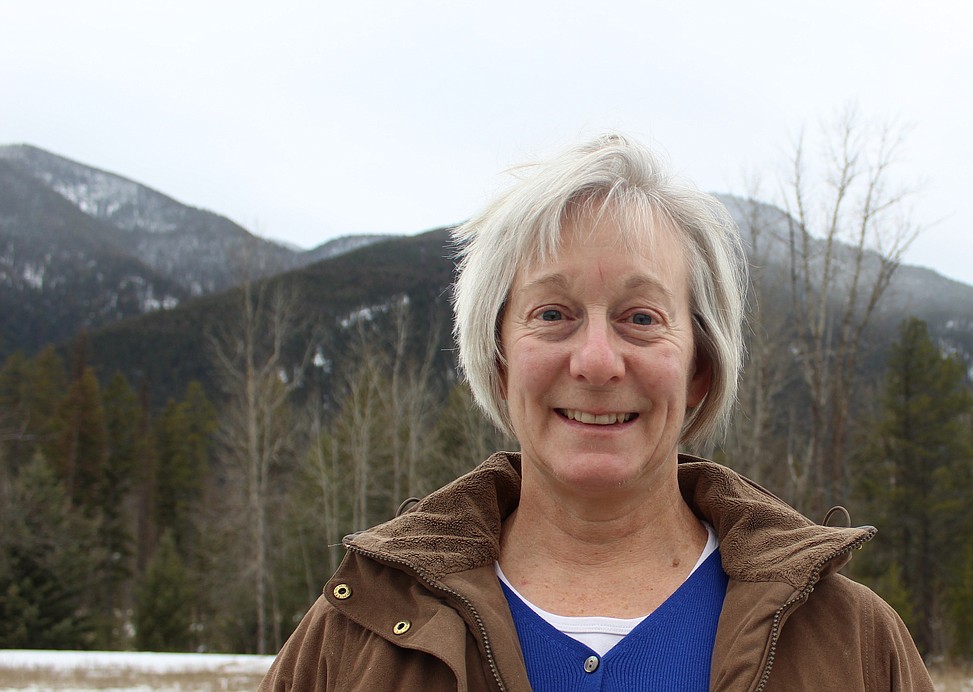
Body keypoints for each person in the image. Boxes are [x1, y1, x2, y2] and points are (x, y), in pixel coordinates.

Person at [260, 134, 934, 690]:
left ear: (700, 368)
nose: (597, 361)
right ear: (499, 360)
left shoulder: (853, 643)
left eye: (641, 318)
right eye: (553, 314)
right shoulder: (357, 637)